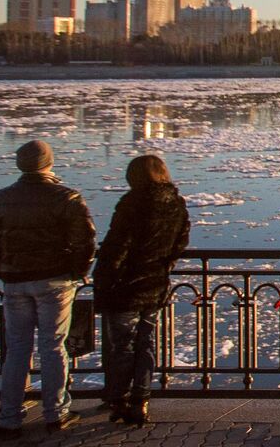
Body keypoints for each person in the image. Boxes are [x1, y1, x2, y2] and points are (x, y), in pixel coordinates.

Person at [0, 140, 95, 438]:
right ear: (49, 162)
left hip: (15, 281)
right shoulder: (66, 198)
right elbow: (85, 242)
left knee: (17, 349)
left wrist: (3, 268)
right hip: (55, 281)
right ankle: (55, 413)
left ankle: (10, 418)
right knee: (53, 347)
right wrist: (77, 272)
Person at [94, 155, 191, 426]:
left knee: (122, 345)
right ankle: (142, 400)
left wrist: (103, 280)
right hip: (155, 285)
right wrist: (162, 267)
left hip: (125, 287)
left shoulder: (132, 203)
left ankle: (119, 399)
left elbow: (117, 246)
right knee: (146, 344)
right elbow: (180, 242)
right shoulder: (176, 203)